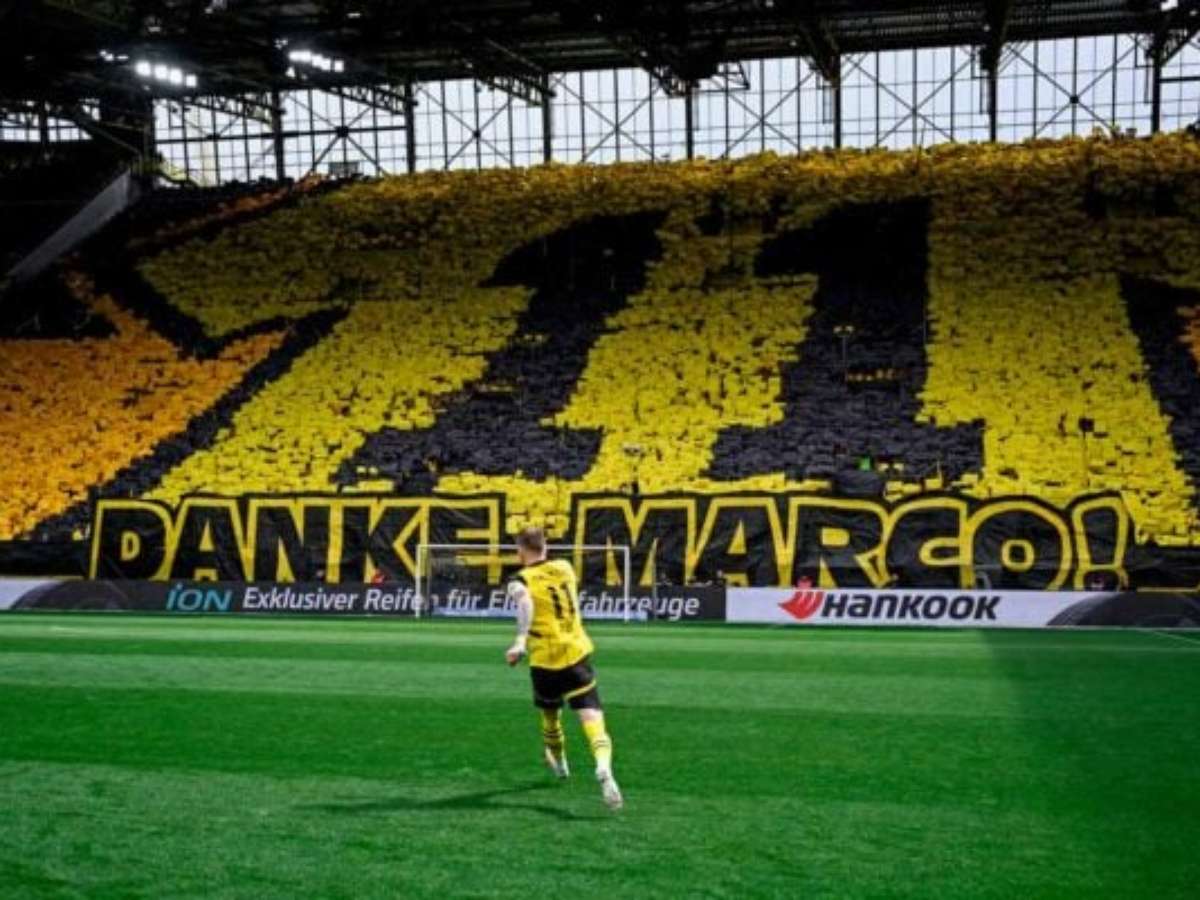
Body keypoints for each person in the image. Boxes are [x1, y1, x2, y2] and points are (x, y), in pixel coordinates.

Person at [504, 525, 623, 811]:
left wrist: (520, 640)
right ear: (545, 546)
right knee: (592, 717)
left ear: (520, 551)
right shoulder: (565, 567)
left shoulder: (519, 580)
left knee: (550, 717)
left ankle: (560, 764)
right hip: (575, 653)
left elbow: (525, 601)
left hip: (544, 661)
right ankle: (603, 766)